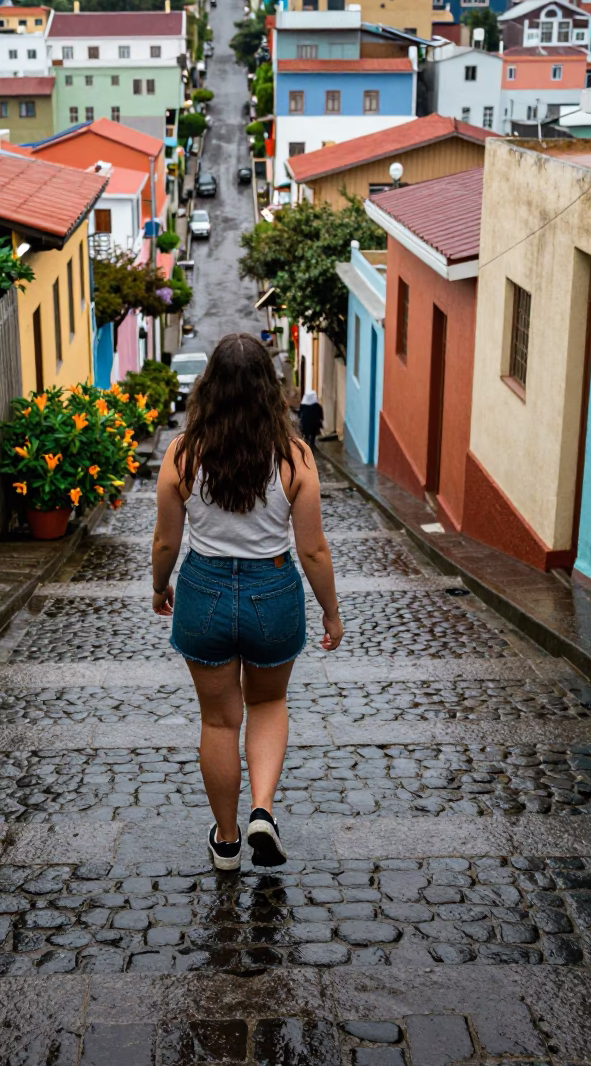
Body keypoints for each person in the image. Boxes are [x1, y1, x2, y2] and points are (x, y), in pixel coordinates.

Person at [151, 334, 344, 870]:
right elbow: (313, 548)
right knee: (266, 704)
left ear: (210, 388)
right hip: (273, 592)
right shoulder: (295, 456)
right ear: (269, 390)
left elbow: (166, 542)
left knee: (218, 722)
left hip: (204, 592)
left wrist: (158, 586)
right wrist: (331, 611)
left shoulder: (183, 454)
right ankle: (263, 809)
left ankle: (229, 841)